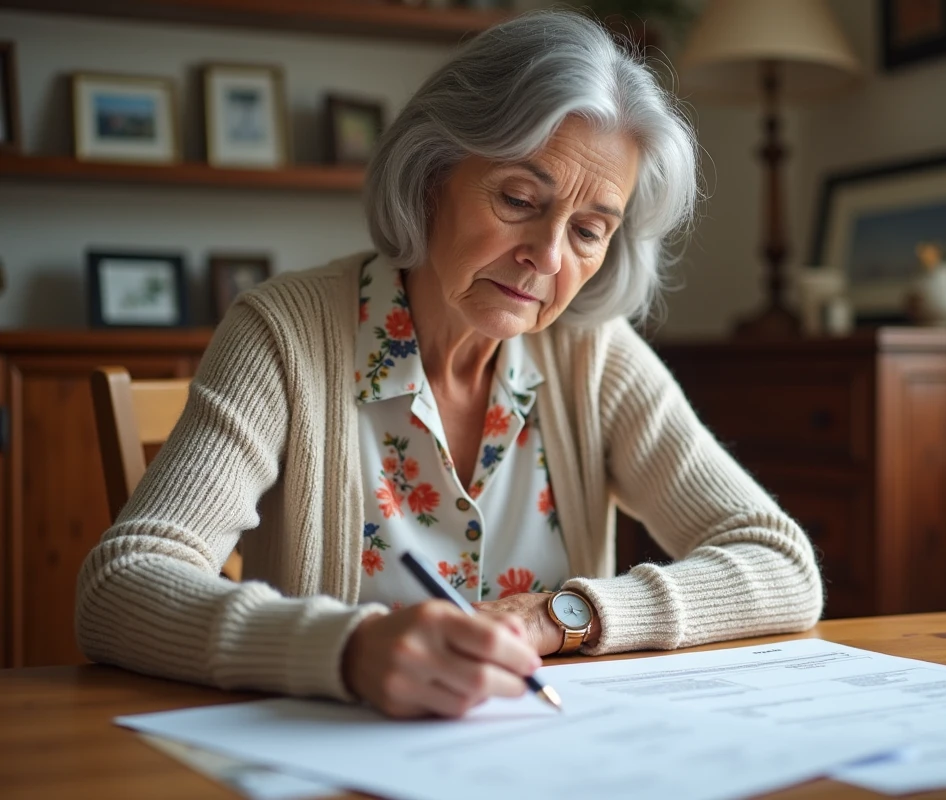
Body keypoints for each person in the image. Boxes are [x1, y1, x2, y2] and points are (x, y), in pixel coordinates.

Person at [76, 10, 823, 719]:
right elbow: (122, 586)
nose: (548, 257)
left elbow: (782, 565)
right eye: (519, 197)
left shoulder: (592, 355)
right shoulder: (285, 334)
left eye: (591, 230)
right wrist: (349, 649)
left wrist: (564, 615)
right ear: (433, 172)